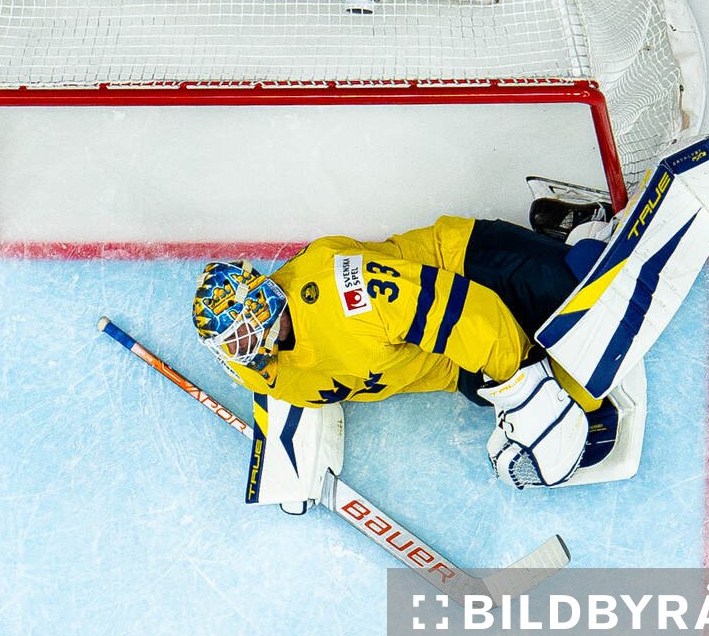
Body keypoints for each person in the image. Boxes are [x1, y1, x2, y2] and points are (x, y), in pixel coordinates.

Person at [191, 192, 618, 489]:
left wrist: (524, 387)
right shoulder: (260, 373)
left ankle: (578, 233)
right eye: (227, 345)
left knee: (587, 296)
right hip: (450, 359)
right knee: (581, 402)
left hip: (463, 265)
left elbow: (465, 313)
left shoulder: (342, 294)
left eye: (239, 334)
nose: (238, 352)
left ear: (262, 304)